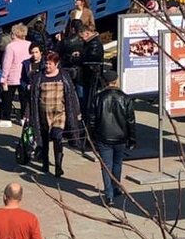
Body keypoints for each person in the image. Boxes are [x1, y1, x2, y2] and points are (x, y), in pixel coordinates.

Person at [28, 52, 82, 178]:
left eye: (50, 64)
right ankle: (45, 163)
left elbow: (72, 95)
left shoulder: (64, 76)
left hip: (59, 113)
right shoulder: (39, 77)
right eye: (46, 63)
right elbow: (32, 98)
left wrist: (76, 111)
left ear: (56, 64)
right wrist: (28, 114)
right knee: (44, 139)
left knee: (57, 137)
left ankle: (58, 166)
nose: (47, 66)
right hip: (43, 114)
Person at [87, 70, 136, 208]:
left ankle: (109, 195)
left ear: (104, 82)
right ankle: (116, 187)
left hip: (103, 137)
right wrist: (132, 139)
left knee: (106, 166)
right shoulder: (125, 98)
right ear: (117, 80)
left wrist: (91, 136)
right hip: (120, 136)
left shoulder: (98, 98)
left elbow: (92, 120)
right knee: (117, 163)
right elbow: (131, 121)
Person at [0, 24, 31, 127]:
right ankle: (23, 118)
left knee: (7, 97)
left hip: (12, 76)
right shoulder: (29, 44)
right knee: (24, 98)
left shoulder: (10, 46)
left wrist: (3, 78)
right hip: (25, 76)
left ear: (14, 34)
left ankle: (6, 119)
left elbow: (7, 63)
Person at [78, 23, 105, 118]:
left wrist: (77, 58)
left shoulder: (94, 43)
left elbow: (90, 58)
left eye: (82, 37)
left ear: (87, 33)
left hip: (92, 74)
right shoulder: (91, 42)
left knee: (89, 98)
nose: (81, 39)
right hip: (90, 74)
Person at [17, 44, 43, 122]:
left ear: (40, 52)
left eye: (36, 52)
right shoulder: (27, 63)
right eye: (32, 52)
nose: (34, 55)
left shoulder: (45, 63)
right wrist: (26, 86)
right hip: (30, 92)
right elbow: (22, 79)